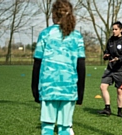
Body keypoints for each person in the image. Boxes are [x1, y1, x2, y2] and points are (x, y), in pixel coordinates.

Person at [31, 0, 86, 135]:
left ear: (54, 15)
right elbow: (81, 66)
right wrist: (80, 92)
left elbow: (37, 63)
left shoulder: (45, 34)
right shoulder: (77, 36)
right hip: (69, 88)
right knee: (65, 128)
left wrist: (34, 88)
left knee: (47, 127)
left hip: (48, 87)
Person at [98, 21, 122, 118]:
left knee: (119, 91)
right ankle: (107, 108)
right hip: (110, 69)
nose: (114, 31)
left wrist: (118, 59)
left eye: (116, 29)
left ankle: (120, 111)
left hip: (121, 69)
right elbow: (106, 51)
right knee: (103, 86)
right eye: (113, 29)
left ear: (121, 30)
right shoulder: (110, 41)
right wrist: (106, 55)